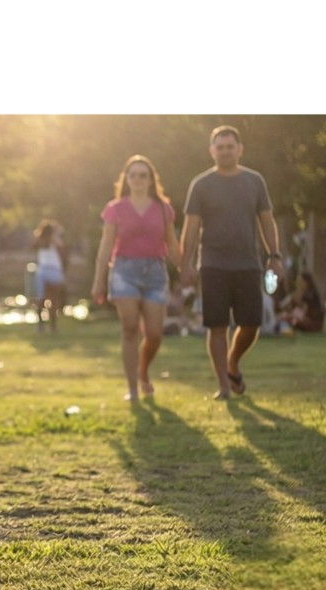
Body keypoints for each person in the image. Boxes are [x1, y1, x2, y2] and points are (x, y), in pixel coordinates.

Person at [180, 125, 283, 400]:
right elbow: (191, 228)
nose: (225, 151)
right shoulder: (201, 184)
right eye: (220, 147)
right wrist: (186, 265)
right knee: (217, 325)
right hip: (212, 264)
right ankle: (224, 386)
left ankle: (232, 361)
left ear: (240, 149)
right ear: (212, 151)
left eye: (230, 146)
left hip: (248, 263)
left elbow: (266, 220)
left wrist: (274, 256)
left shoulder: (254, 181)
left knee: (251, 324)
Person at [91, 155, 182, 401]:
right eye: (134, 175)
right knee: (129, 328)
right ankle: (132, 388)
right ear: (127, 179)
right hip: (124, 271)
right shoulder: (115, 209)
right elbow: (105, 247)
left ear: (151, 180)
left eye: (143, 175)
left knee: (154, 334)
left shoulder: (164, 209)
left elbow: (172, 245)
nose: (138, 179)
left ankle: (143, 370)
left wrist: (187, 268)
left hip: (155, 272)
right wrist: (99, 280)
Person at [32, 219, 67, 332]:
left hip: (49, 271)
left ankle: (49, 325)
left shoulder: (54, 241)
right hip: (49, 270)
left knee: (49, 299)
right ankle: (46, 325)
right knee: (45, 299)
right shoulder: (42, 241)